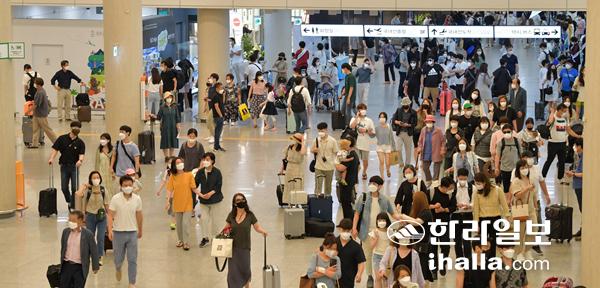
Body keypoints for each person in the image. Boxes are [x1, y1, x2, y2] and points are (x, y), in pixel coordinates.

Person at [353, 176, 398, 286]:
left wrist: (401, 218)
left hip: (381, 231)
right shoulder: (363, 198)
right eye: (371, 183)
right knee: (367, 254)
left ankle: (382, 274)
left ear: (380, 186)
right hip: (366, 231)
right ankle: (369, 276)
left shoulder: (384, 199)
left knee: (382, 253)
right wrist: (354, 228)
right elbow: (357, 213)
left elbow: (392, 213)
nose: (372, 185)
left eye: (375, 183)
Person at [223, 193, 268, 287]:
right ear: (234, 203)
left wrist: (263, 232)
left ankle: (247, 286)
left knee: (245, 270)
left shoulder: (250, 215)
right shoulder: (231, 215)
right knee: (233, 273)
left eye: (242, 199)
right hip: (233, 249)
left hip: (245, 248)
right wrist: (222, 235)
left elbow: (257, 227)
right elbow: (225, 229)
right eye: (238, 200)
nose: (241, 201)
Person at [107, 176, 143, 288]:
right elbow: (110, 215)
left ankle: (132, 282)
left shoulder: (137, 199)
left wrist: (140, 229)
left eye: (130, 185)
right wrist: (110, 230)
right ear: (121, 186)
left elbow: (139, 215)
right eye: (125, 185)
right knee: (118, 258)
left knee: (132, 259)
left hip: (132, 232)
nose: (128, 187)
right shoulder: (115, 199)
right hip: (118, 233)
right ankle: (118, 268)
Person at [396, 191, 434, 283]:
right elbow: (412, 223)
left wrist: (404, 216)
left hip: (423, 244)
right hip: (415, 242)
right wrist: (405, 222)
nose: (412, 202)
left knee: (422, 267)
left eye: (414, 200)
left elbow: (417, 222)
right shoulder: (417, 212)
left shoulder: (426, 213)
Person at [48, 121, 85, 210]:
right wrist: (51, 158)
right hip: (64, 166)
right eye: (75, 127)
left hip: (74, 167)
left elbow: (82, 154)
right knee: (64, 187)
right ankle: (69, 201)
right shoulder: (62, 139)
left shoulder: (80, 142)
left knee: (74, 187)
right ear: (71, 128)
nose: (76, 129)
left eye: (78, 128)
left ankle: (73, 205)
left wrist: (80, 160)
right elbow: (55, 149)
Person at [472, 172, 510, 257]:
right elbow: (476, 209)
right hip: (483, 220)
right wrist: (476, 224)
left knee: (493, 242)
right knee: (483, 242)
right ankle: (485, 260)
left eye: (478, 183)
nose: (477, 185)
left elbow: (504, 204)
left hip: (495, 219)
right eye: (476, 183)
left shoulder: (497, 190)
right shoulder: (476, 193)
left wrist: (507, 216)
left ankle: (492, 260)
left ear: (484, 182)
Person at [59, 210, 100, 288]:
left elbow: (94, 251)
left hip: (80, 267)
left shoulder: (88, 235)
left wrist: (95, 266)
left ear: (81, 221)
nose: (71, 222)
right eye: (70, 220)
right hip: (66, 265)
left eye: (73, 220)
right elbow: (63, 248)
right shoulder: (65, 232)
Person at [542, 104, 582, 181]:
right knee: (549, 160)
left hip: (562, 143)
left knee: (562, 161)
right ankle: (543, 175)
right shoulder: (553, 117)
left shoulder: (564, 119)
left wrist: (577, 136)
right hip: (553, 143)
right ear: (559, 110)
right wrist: (552, 112)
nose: (564, 113)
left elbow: (569, 130)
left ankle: (560, 177)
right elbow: (550, 121)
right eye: (563, 111)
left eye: (565, 111)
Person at [165, 158, 199, 251]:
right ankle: (180, 240)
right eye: (177, 163)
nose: (180, 164)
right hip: (177, 203)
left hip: (188, 203)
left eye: (181, 162)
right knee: (179, 224)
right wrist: (167, 201)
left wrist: (201, 195)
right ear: (174, 166)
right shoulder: (173, 176)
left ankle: (186, 242)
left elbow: (194, 188)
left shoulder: (189, 175)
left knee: (186, 224)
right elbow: (169, 189)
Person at [509, 160, 539, 261]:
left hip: (531, 209)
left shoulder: (530, 179)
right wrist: (527, 188)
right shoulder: (516, 181)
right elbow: (517, 195)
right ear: (518, 170)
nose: (525, 170)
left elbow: (534, 194)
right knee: (520, 232)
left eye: (526, 167)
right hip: (520, 208)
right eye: (522, 168)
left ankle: (527, 250)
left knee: (533, 230)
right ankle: (518, 253)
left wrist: (536, 205)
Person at [194, 152, 224, 248]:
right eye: (204, 159)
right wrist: (200, 194)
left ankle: (215, 237)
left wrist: (209, 194)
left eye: (208, 160)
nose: (205, 161)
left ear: (213, 161)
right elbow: (194, 185)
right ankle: (205, 238)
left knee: (215, 220)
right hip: (204, 201)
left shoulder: (217, 172)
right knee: (204, 220)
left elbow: (218, 186)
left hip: (215, 200)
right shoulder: (200, 172)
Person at [429, 176, 457, 277]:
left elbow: (453, 207)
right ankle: (434, 269)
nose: (451, 190)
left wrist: (444, 210)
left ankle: (442, 264)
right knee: (432, 247)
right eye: (450, 188)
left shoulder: (450, 195)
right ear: (444, 187)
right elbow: (424, 205)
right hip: (432, 223)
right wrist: (433, 206)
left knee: (445, 246)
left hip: (445, 223)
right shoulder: (432, 192)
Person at [336, 218, 366, 288]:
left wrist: (359, 273)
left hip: (348, 278)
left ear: (351, 231)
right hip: (333, 276)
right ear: (339, 229)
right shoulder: (333, 242)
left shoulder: (356, 247)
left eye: (348, 231)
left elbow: (361, 262)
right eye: (343, 230)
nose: (345, 233)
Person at [28, 77, 57, 148]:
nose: (34, 84)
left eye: (35, 83)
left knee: (47, 129)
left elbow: (36, 104)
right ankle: (34, 144)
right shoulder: (39, 91)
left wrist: (28, 111)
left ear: (38, 84)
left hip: (41, 115)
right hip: (37, 114)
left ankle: (57, 142)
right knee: (35, 129)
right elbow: (36, 102)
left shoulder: (40, 92)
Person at [417, 115, 445, 185]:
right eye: (427, 122)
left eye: (430, 121)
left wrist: (442, 149)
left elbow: (443, 141)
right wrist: (419, 147)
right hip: (426, 152)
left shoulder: (438, 130)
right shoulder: (423, 130)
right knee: (425, 168)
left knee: (436, 171)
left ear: (433, 122)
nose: (429, 123)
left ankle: (435, 183)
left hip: (436, 152)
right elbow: (420, 141)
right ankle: (429, 180)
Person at [350, 103, 376, 180]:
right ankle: (356, 176)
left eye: (364, 109)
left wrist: (367, 130)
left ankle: (364, 171)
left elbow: (373, 134)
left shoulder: (369, 121)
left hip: (366, 144)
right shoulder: (354, 118)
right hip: (356, 144)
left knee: (365, 161)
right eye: (361, 109)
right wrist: (357, 117)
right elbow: (352, 126)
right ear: (358, 110)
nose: (363, 111)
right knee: (356, 161)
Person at [312, 122, 338, 196]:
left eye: (322, 131)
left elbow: (336, 153)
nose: (320, 133)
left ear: (326, 130)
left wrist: (337, 163)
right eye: (319, 131)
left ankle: (327, 201)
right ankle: (316, 200)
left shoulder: (332, 141)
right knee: (317, 186)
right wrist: (314, 150)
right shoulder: (316, 140)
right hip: (318, 166)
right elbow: (311, 150)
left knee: (328, 186)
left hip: (329, 167)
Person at [495, 123, 521, 194]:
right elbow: (497, 156)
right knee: (506, 188)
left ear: (512, 131)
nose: (506, 133)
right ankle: (507, 203)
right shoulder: (501, 142)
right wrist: (496, 168)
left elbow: (521, 154)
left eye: (508, 131)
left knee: (516, 188)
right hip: (505, 169)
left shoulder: (517, 141)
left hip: (516, 169)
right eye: (505, 132)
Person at [392, 97, 417, 169]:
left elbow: (415, 123)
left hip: (408, 133)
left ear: (409, 104)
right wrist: (398, 122)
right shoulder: (399, 110)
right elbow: (394, 120)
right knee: (398, 148)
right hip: (399, 132)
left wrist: (408, 125)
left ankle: (407, 164)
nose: (405, 105)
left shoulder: (413, 112)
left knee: (408, 149)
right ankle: (400, 162)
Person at [282, 133, 306, 205]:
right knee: (288, 185)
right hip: (289, 167)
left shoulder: (302, 148)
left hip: (298, 168)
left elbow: (303, 152)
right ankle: (289, 201)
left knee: (297, 185)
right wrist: (282, 169)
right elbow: (285, 159)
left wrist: (303, 142)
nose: (293, 141)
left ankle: (297, 201)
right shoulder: (289, 147)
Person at [368, 213, 392, 288]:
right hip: (377, 256)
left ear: (387, 221)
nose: (381, 222)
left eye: (383, 220)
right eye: (379, 220)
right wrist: (376, 238)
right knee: (378, 277)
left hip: (388, 257)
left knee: (386, 278)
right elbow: (371, 247)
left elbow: (393, 245)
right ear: (377, 221)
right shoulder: (375, 232)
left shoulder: (390, 231)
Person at [338, 138, 360, 219]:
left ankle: (348, 220)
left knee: (345, 201)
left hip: (347, 181)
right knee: (346, 201)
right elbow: (359, 167)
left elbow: (341, 168)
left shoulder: (350, 155)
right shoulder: (355, 154)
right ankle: (348, 219)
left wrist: (335, 163)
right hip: (351, 179)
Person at [155, 92, 181, 159]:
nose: (169, 99)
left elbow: (177, 117)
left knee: (173, 140)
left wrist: (178, 126)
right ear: (165, 98)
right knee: (165, 141)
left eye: (170, 97)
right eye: (168, 97)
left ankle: (171, 155)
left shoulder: (174, 107)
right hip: (165, 127)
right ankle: (166, 156)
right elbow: (158, 117)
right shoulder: (162, 107)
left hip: (173, 127)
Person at [567, 138, 583, 240]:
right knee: (582, 209)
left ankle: (583, 231)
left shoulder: (585, 157)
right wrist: (574, 171)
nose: (575, 148)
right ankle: (582, 229)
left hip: (581, 186)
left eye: (576, 146)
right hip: (578, 186)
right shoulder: (580, 157)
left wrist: (573, 174)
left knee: (583, 209)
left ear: (580, 146)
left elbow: (583, 173)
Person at [375, 112, 395, 178]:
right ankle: (382, 176)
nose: (382, 118)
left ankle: (388, 170)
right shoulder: (377, 127)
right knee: (381, 162)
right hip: (379, 146)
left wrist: (394, 148)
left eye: (383, 117)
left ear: (386, 118)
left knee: (388, 162)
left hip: (388, 146)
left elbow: (392, 137)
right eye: (380, 117)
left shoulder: (389, 127)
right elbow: (373, 135)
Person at [211, 83, 227, 152]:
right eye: (221, 88)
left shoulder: (219, 95)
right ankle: (216, 147)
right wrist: (220, 115)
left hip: (220, 116)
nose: (222, 89)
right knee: (217, 132)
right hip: (218, 116)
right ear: (217, 88)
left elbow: (222, 103)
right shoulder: (215, 96)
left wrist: (223, 95)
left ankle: (217, 146)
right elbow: (216, 106)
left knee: (219, 132)